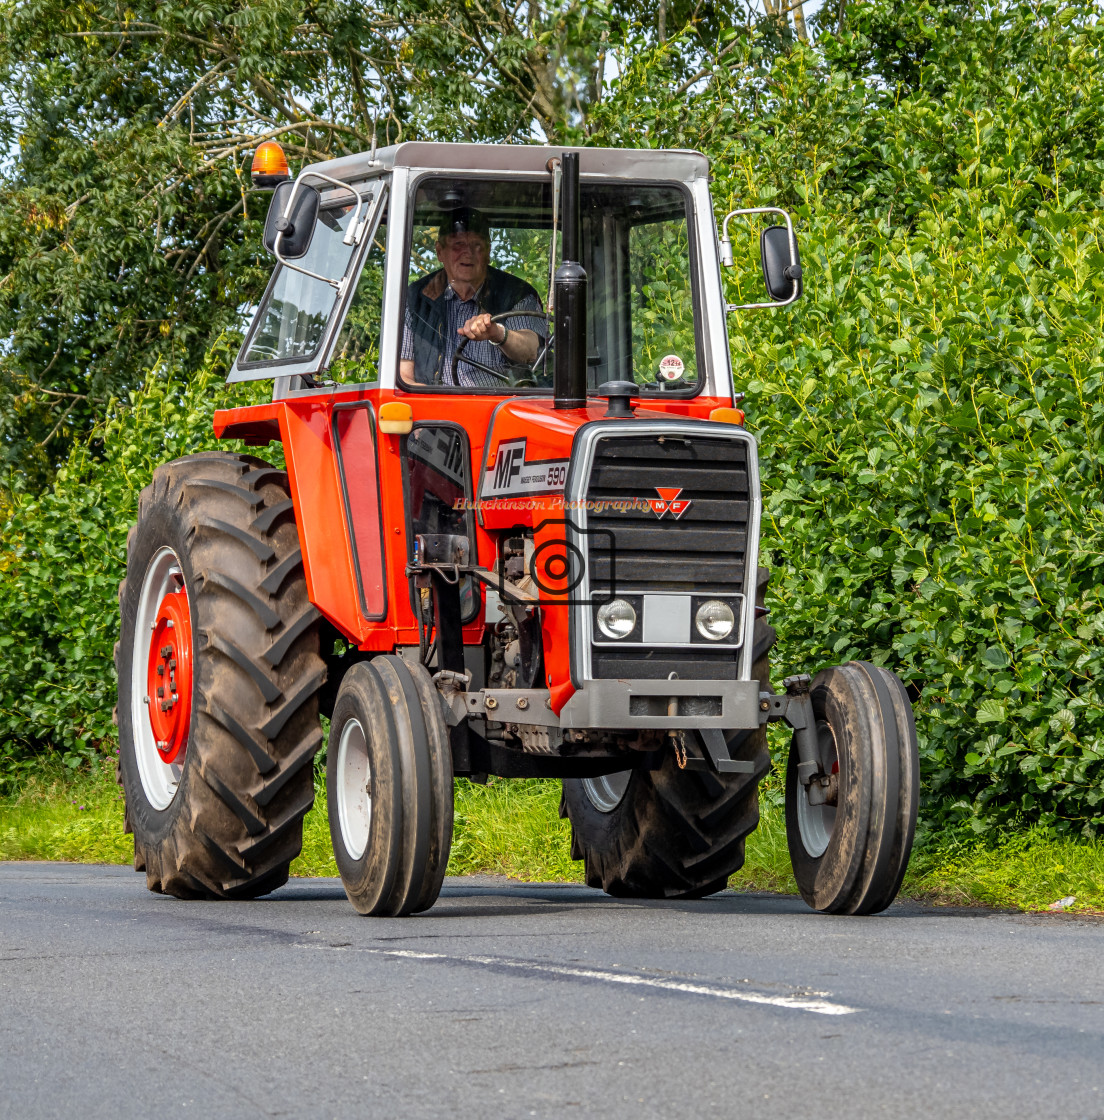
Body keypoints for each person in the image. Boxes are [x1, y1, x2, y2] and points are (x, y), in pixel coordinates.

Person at [400, 207, 547, 386]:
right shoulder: (415, 298)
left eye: (476, 245)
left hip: (498, 406)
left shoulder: (517, 293)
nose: (467, 253)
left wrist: (497, 333)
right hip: (436, 408)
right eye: (458, 245)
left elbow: (532, 350)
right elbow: (403, 376)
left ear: (488, 253)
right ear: (439, 252)